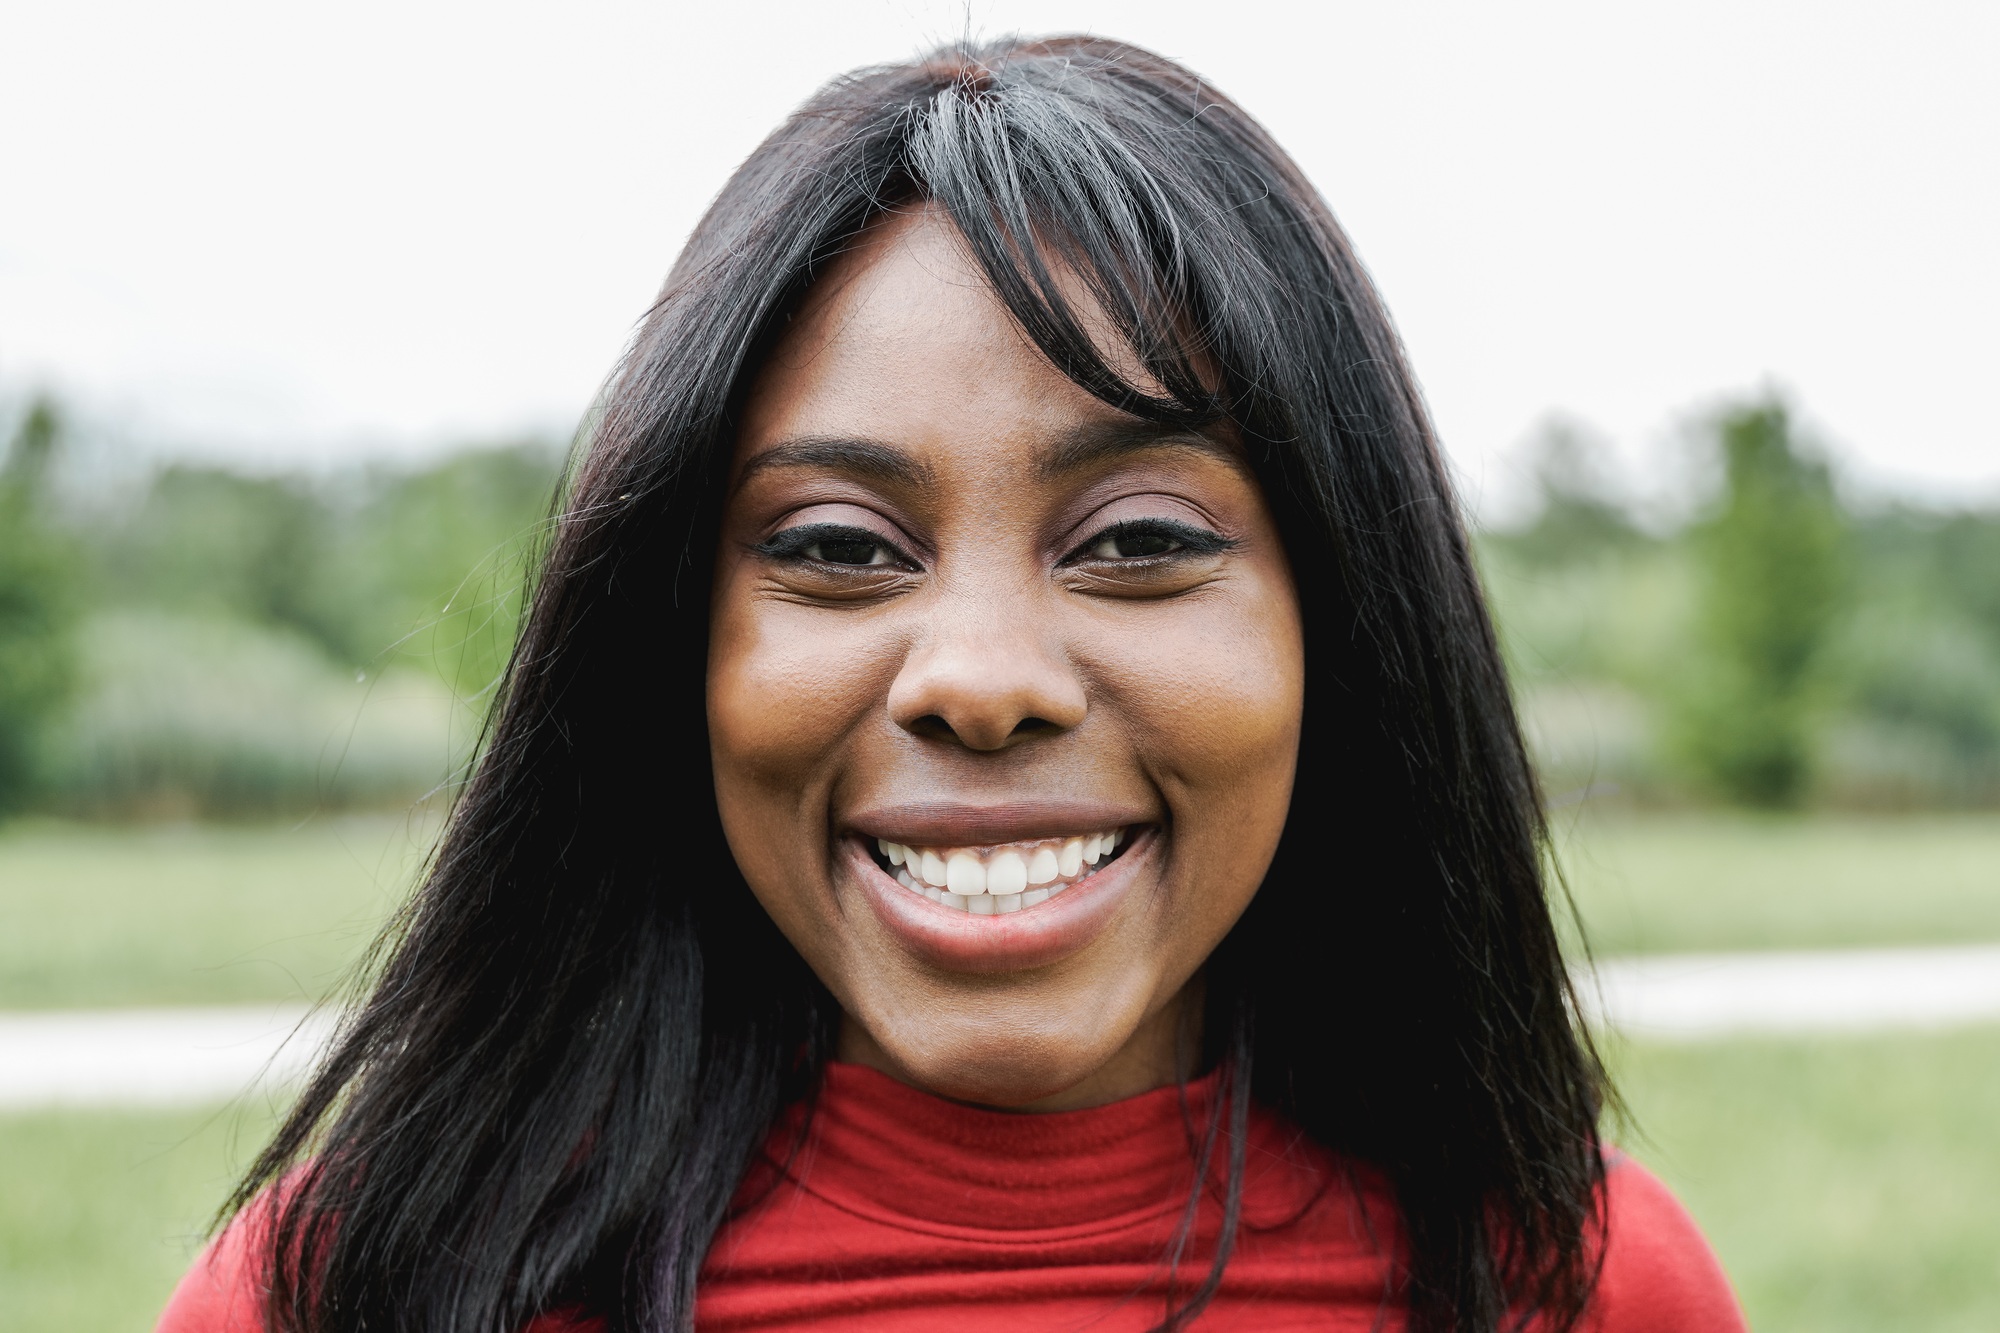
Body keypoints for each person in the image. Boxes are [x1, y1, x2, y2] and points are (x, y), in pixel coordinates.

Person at [158, 36, 1746, 1333]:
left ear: (1345, 627)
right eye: (841, 550)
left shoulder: (1584, 1286)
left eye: (1136, 538)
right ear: (672, 650)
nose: (981, 683)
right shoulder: (360, 1287)